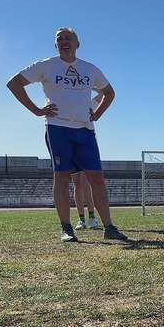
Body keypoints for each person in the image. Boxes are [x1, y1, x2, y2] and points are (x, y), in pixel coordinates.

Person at [6, 26, 128, 243]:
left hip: (85, 131)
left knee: (97, 179)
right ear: (56, 45)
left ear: (77, 44)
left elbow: (109, 92)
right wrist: (37, 110)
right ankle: (66, 228)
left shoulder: (89, 69)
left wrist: (97, 114)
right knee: (62, 178)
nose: (65, 42)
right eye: (60, 39)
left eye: (69, 38)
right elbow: (14, 83)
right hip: (58, 128)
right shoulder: (45, 66)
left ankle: (109, 226)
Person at [73, 90, 105, 230]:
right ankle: (81, 219)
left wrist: (91, 84)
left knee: (85, 182)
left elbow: (105, 93)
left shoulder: (89, 103)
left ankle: (92, 217)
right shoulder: (65, 104)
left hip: (86, 145)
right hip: (70, 146)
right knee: (77, 184)